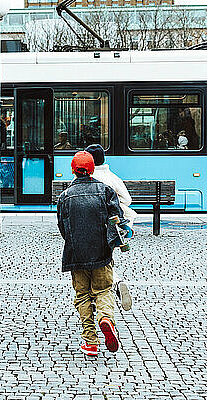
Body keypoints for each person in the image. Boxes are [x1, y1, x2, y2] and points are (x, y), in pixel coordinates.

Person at [57, 151, 123, 357]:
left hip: (76, 255)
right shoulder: (105, 191)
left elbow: (62, 228)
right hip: (101, 252)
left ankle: (90, 342)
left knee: (82, 296)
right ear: (92, 169)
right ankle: (105, 318)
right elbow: (116, 219)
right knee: (103, 290)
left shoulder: (65, 196)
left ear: (72, 170)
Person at [85, 144, 135, 311]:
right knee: (105, 258)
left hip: (91, 226)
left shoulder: (86, 177)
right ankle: (114, 284)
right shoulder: (112, 177)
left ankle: (111, 285)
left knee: (95, 262)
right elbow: (127, 200)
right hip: (113, 227)